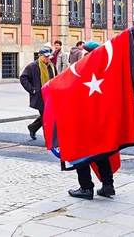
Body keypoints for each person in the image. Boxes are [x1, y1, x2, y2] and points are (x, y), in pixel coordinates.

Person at [66, 41, 115, 200]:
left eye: (86, 52)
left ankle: (86, 188)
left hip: (84, 118)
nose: (83, 55)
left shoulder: (84, 69)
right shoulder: (107, 69)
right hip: (100, 118)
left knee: (80, 151)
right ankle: (108, 185)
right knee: (101, 151)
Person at [20, 48, 57, 140]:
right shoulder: (32, 66)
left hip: (50, 95)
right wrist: (32, 90)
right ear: (39, 56)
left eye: (48, 56)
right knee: (46, 117)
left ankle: (33, 127)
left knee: (47, 115)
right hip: (40, 96)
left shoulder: (52, 66)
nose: (47, 58)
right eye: (45, 56)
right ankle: (49, 138)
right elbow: (23, 78)